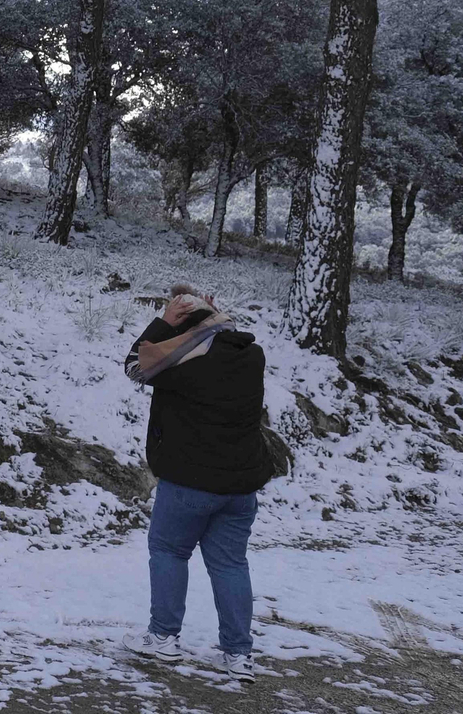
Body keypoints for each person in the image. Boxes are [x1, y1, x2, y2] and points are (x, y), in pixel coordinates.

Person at [121, 284, 273, 681]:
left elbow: (135, 365)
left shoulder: (181, 364)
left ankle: (163, 637)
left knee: (169, 552)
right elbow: (211, 334)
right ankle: (238, 655)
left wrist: (163, 322)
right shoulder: (251, 355)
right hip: (240, 487)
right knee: (230, 564)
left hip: (189, 483)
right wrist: (205, 313)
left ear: (183, 328)